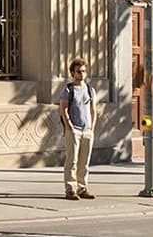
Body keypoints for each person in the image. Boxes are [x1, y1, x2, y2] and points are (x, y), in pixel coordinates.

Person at [58, 59, 95, 200]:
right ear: (73, 73)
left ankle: (82, 187)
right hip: (74, 130)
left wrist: (92, 127)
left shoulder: (90, 90)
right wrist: (70, 127)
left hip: (87, 130)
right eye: (79, 71)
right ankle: (70, 189)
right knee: (72, 161)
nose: (82, 74)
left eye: (84, 71)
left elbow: (93, 110)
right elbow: (63, 109)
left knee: (84, 162)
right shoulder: (69, 90)